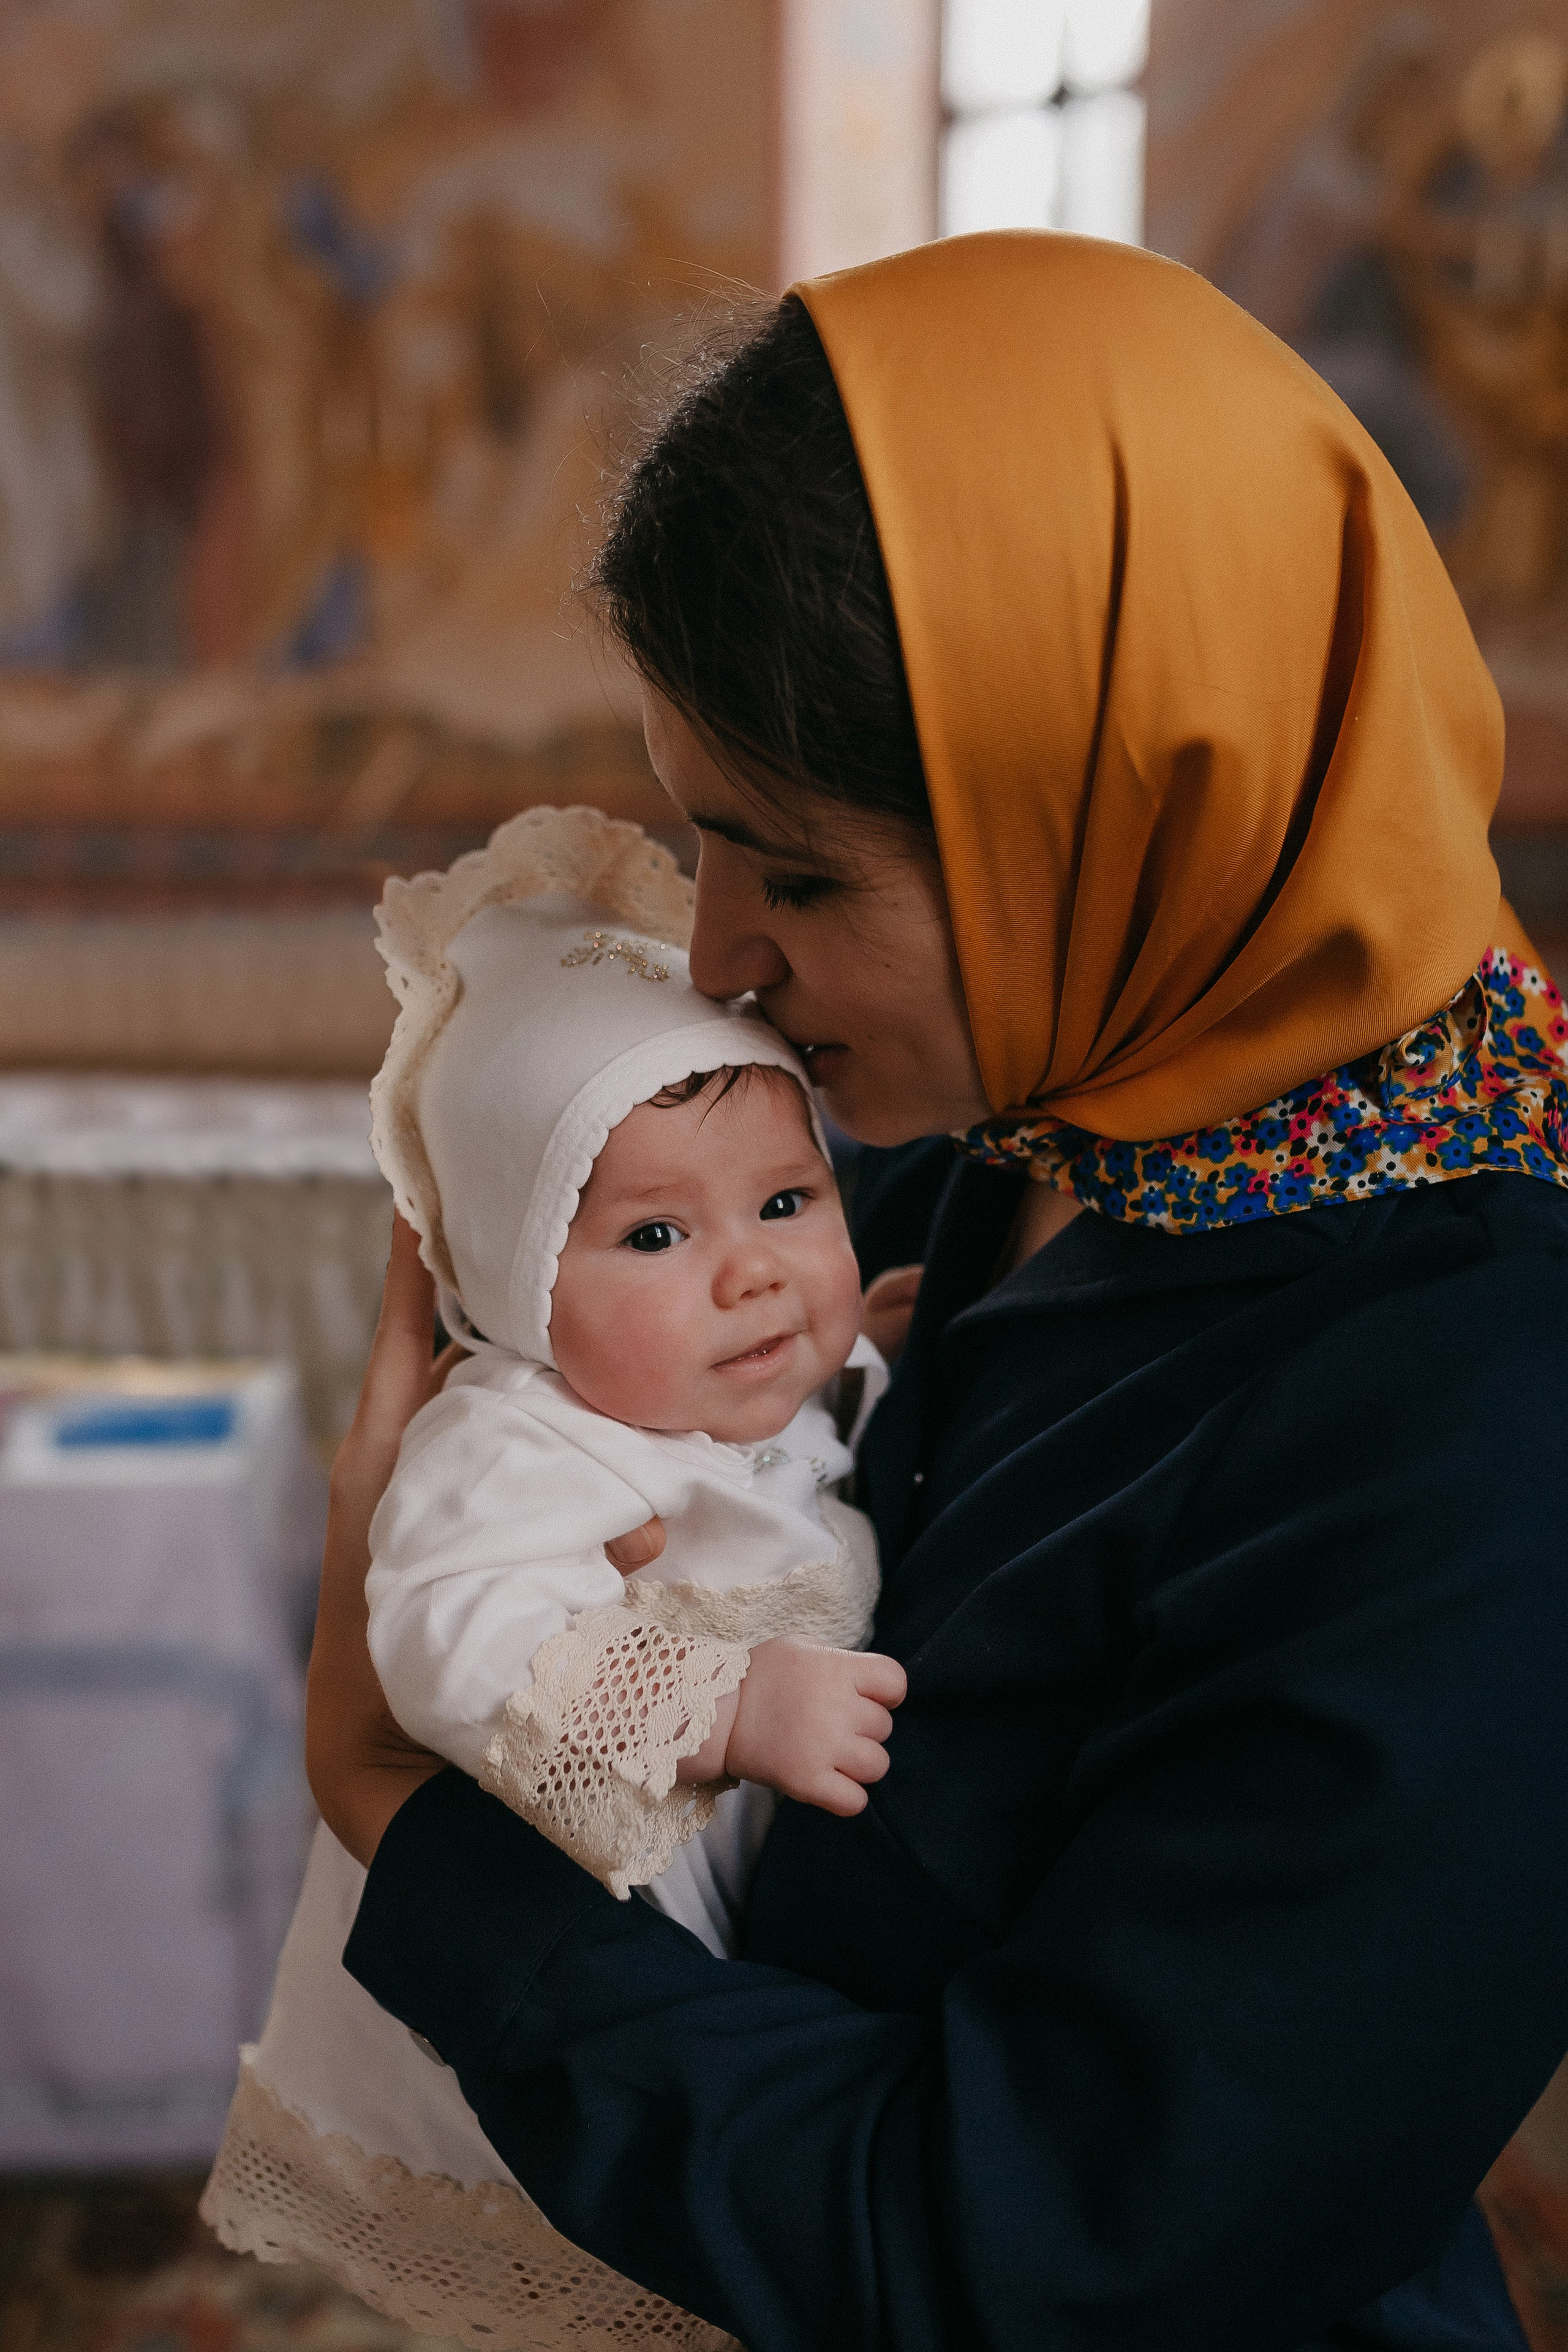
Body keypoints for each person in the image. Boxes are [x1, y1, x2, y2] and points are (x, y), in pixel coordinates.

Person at [304, 233, 1568, 2350]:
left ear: (1127, 817)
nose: (715, 958)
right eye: (701, 841)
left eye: (797, 871)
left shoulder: (1479, 1416)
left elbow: (1028, 2250)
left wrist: (409, 1829)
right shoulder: (1046, 1114)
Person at [202, 807, 900, 2343]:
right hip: (590, 1901)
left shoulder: (734, 1366)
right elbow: (448, 1635)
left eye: (787, 1202)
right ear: (516, 1290)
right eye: (657, 1232)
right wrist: (718, 1702)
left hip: (753, 1924)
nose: (753, 1270)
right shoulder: (515, 1437)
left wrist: (870, 1346)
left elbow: (796, 1427)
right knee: (629, 2267)